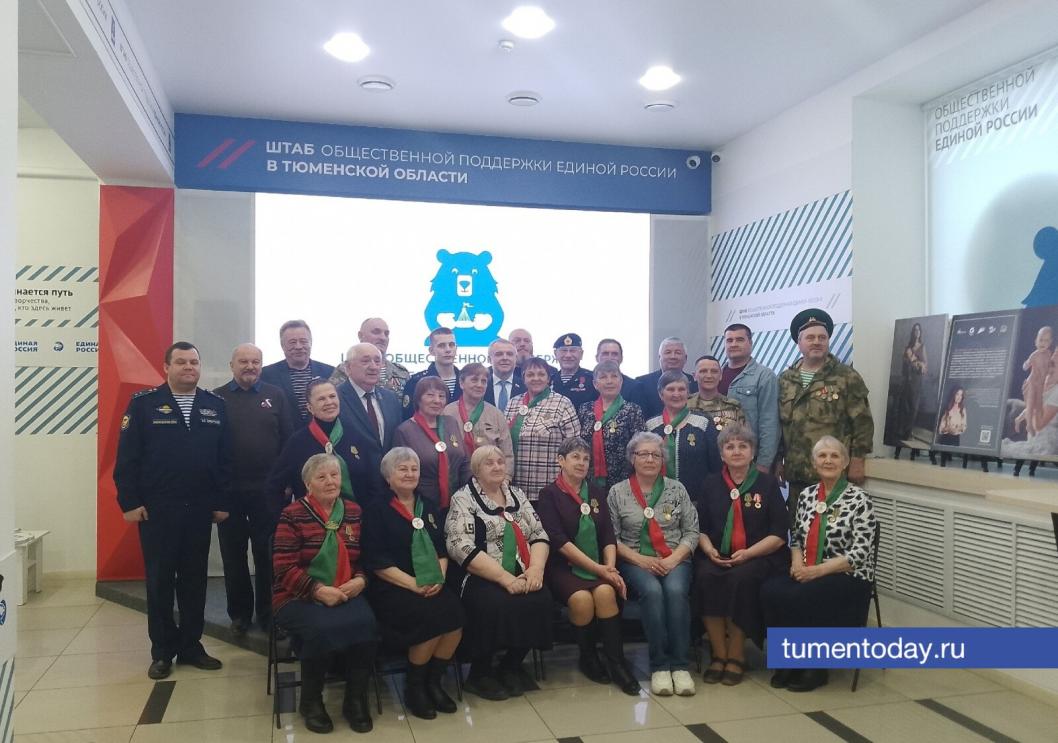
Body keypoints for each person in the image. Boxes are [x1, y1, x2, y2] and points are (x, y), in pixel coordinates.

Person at [113, 341, 230, 679]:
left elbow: (225, 460)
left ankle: (191, 646)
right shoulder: (144, 404)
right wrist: (129, 502)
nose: (189, 367)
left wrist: (222, 502)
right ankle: (162, 651)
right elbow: (127, 458)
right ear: (166, 367)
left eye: (194, 362)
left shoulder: (215, 405)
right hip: (158, 510)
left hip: (200, 509)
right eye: (181, 362)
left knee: (195, 581)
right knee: (160, 581)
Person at [760, 436, 877, 693]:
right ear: (814, 463)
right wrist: (796, 563)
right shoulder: (807, 495)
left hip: (847, 573)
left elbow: (860, 553)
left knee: (805, 595)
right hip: (808, 567)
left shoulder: (860, 499)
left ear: (845, 462)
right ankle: (787, 659)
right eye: (822, 456)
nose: (828, 461)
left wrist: (817, 571)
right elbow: (796, 536)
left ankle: (816, 667)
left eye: (834, 456)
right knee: (771, 590)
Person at [272, 454, 377, 733]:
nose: (330, 481)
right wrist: (317, 590)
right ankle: (311, 702)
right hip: (296, 594)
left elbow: (362, 559)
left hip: (345, 589)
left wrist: (361, 580)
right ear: (308, 485)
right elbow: (283, 567)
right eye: (321, 477)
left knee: (367, 624)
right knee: (321, 629)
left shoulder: (353, 511)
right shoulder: (292, 514)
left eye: (335, 475)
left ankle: (355, 700)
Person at [361, 448, 465, 719]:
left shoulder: (427, 505)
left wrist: (438, 577)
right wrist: (412, 584)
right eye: (402, 469)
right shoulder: (375, 509)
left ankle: (434, 681)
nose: (409, 474)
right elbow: (376, 560)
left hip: (431, 579)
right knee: (429, 618)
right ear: (388, 476)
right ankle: (415, 686)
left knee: (455, 615)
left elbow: (441, 548)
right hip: (394, 585)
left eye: (414, 469)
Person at [445, 445, 553, 700]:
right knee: (493, 604)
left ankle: (511, 665)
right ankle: (480, 674)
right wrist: (504, 579)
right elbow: (458, 545)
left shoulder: (517, 494)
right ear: (476, 470)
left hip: (522, 569)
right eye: (489, 463)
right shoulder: (463, 498)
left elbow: (538, 533)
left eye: (500, 462)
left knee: (541, 599)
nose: (497, 467)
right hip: (480, 573)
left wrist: (536, 570)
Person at [535, 438, 641, 695]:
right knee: (582, 600)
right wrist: (600, 570)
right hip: (564, 566)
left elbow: (607, 534)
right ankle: (588, 657)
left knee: (605, 593)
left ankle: (616, 662)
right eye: (575, 457)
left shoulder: (595, 491)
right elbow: (558, 541)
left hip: (600, 564)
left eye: (585, 458)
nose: (581, 463)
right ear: (560, 461)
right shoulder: (548, 494)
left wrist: (610, 569)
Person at [694, 424, 788, 686]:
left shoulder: (768, 484)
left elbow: (779, 533)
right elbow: (699, 528)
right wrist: (709, 550)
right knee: (705, 577)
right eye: (730, 446)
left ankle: (736, 655)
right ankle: (719, 654)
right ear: (721, 454)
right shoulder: (710, 483)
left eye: (743, 446)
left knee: (741, 580)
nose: (736, 451)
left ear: (752, 452)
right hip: (716, 554)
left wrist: (748, 554)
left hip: (759, 556)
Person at [609, 432, 699, 697]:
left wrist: (672, 559)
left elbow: (691, 532)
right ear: (632, 458)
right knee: (652, 591)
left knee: (675, 591)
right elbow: (612, 538)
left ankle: (680, 666)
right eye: (643, 454)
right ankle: (660, 665)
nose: (650, 459)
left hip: (675, 558)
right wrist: (641, 560)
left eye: (655, 455)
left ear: (663, 459)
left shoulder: (677, 489)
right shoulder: (617, 492)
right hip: (635, 560)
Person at [212, 343, 295, 635]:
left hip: (268, 492)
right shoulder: (216, 398)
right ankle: (239, 615)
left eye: (255, 362)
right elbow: (211, 449)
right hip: (230, 492)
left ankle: (270, 615)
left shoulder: (276, 395)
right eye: (243, 361)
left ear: (261, 365)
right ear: (232, 365)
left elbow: (288, 442)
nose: (250, 366)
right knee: (233, 555)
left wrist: (286, 482)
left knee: (267, 554)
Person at [779, 309, 874, 501]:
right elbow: (780, 425)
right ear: (799, 343)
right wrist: (778, 461)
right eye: (810, 337)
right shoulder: (786, 379)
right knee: (798, 520)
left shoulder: (846, 377)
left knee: (832, 521)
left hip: (833, 474)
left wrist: (858, 460)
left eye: (822, 337)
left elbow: (862, 422)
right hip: (797, 473)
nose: (816, 342)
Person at [266, 379, 373, 513]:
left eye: (332, 396)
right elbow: (274, 486)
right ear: (310, 407)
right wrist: (283, 519)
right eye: (321, 399)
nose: (329, 402)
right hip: (310, 520)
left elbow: (372, 481)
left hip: (355, 519)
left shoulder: (356, 435)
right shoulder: (297, 442)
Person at [335, 343, 402, 502]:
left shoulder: (390, 398)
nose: (373, 366)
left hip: (388, 490)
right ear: (348, 367)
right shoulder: (335, 399)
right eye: (365, 361)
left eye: (377, 361)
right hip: (351, 490)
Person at [506, 356, 580, 499]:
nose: (536, 378)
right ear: (523, 378)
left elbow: (575, 446)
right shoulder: (513, 403)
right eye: (530, 374)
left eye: (541, 374)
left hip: (551, 487)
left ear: (548, 378)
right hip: (515, 487)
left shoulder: (563, 403)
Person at [393, 377, 471, 511]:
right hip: (422, 505)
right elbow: (400, 473)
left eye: (442, 396)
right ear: (418, 399)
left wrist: (468, 495)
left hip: (458, 502)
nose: (437, 400)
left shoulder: (451, 423)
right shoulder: (405, 431)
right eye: (430, 395)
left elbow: (464, 461)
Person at [646, 370, 721, 503]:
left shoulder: (703, 423)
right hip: (658, 501)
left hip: (697, 501)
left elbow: (716, 465)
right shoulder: (650, 426)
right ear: (661, 394)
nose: (676, 394)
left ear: (688, 393)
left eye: (681, 389)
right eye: (670, 389)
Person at [720, 324, 780, 473]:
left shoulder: (764, 376)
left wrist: (764, 464)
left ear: (750, 343)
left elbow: (770, 423)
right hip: (719, 461)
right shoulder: (716, 375)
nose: (734, 344)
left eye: (739, 339)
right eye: (729, 340)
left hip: (751, 461)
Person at [578, 361, 646, 491]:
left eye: (614, 376)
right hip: (588, 479)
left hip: (624, 481)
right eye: (603, 377)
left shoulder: (632, 410)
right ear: (595, 384)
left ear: (621, 382)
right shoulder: (585, 409)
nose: (609, 381)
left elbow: (641, 447)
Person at [444, 362, 514, 475]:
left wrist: (505, 479)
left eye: (483, 381)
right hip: (454, 476)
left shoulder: (496, 414)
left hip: (490, 477)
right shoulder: (447, 412)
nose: (479, 385)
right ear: (461, 383)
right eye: (474, 380)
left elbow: (507, 454)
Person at [261, 320, 336, 424]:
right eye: (292, 342)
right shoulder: (266, 375)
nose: (298, 347)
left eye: (303, 341)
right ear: (282, 346)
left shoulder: (329, 373)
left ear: (311, 343)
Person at [330, 317, 410, 396]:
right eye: (376, 332)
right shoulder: (346, 369)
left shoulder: (401, 372)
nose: (383, 338)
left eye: (386, 334)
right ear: (361, 336)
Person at [403, 327, 461, 419]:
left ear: (456, 348)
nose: (448, 350)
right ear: (431, 351)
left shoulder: (467, 380)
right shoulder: (416, 382)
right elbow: (408, 417)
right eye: (441, 346)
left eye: (451, 345)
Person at [634, 337, 697, 419]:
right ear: (659, 357)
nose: (673, 356)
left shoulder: (694, 383)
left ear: (685, 358)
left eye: (678, 353)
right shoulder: (642, 383)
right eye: (668, 352)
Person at [688, 355, 746, 432]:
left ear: (721, 375)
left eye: (714, 371)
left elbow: (742, 436)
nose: (709, 376)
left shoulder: (733, 406)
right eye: (703, 371)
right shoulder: (685, 405)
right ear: (694, 376)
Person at [1014, 325, 1052, 436]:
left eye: (1046, 340)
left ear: (1050, 342)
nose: (1043, 343)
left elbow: (1047, 367)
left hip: (1040, 385)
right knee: (1030, 405)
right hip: (1031, 383)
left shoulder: (1048, 353)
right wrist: (1026, 364)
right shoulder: (1034, 355)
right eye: (1041, 340)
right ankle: (1029, 425)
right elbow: (1025, 366)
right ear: (1036, 341)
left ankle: (1019, 419)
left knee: (1037, 407)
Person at [894, 322, 929, 441]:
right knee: (904, 406)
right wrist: (907, 361)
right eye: (915, 330)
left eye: (918, 330)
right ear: (913, 332)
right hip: (907, 380)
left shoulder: (922, 347)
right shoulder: (907, 348)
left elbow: (925, 366)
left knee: (914, 407)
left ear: (920, 332)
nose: (917, 332)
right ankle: (901, 430)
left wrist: (918, 364)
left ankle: (908, 432)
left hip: (916, 381)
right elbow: (903, 365)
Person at [551, 333, 598, 409]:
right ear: (555, 354)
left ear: (581, 354)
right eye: (564, 351)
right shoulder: (549, 381)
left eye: (573, 351)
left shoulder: (592, 379)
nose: (568, 355)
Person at [484, 338, 525, 409]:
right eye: (499, 354)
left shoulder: (526, 387)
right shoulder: (480, 386)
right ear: (489, 359)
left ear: (516, 358)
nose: (505, 358)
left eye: (509, 354)